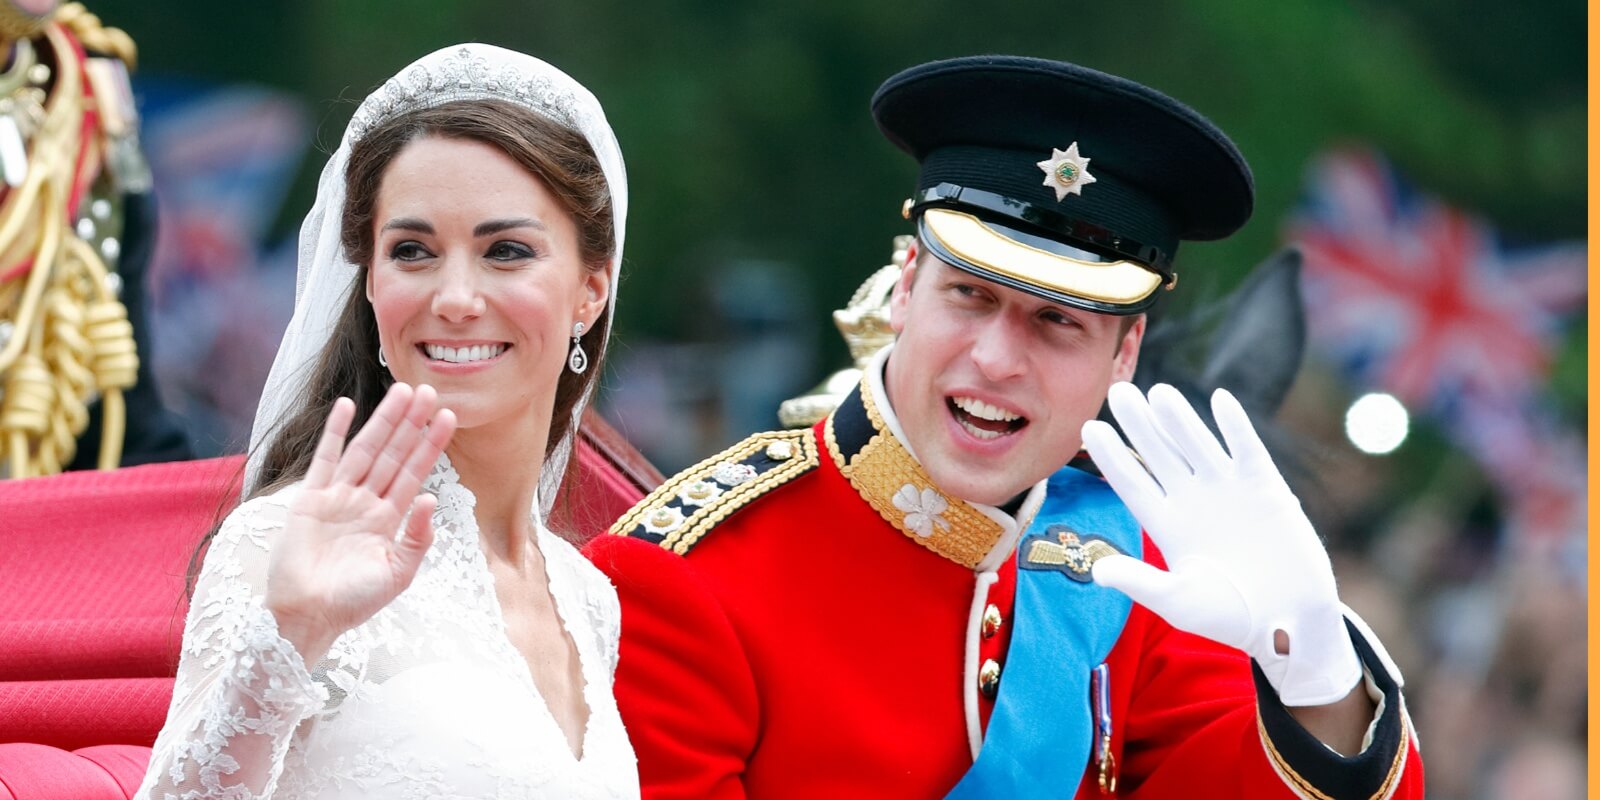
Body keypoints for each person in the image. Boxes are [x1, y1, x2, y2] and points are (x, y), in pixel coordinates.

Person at [586, 55, 1423, 798]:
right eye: (972, 295)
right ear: (906, 284)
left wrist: (1314, 670)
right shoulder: (690, 575)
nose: (996, 359)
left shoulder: (1139, 573)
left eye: (1058, 323)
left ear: (1125, 350)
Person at [138, 43, 639, 799]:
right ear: (369, 282)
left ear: (590, 290)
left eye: (506, 251)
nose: (457, 297)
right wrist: (290, 635)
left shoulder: (587, 598)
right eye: (413, 251)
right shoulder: (281, 541)